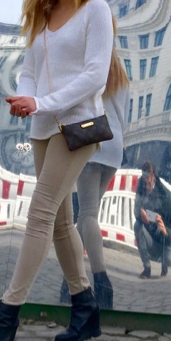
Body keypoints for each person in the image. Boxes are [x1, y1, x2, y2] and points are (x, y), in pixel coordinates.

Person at [0, 0, 115, 341]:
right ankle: (85, 309)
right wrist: (25, 97)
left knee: (40, 214)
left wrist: (43, 103)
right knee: (60, 223)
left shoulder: (96, 10)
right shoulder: (43, 14)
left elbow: (96, 75)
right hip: (43, 128)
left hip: (78, 125)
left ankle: (6, 320)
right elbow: (30, 71)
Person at [60, 53, 130, 309]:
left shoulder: (91, 65)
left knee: (87, 214)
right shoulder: (122, 74)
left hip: (91, 138)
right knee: (86, 217)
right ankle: (69, 280)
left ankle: (101, 281)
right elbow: (125, 116)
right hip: (114, 144)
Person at [134, 161, 171, 278]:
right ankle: (147, 268)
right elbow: (136, 210)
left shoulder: (167, 197)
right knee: (137, 226)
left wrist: (165, 230)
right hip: (150, 237)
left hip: (164, 243)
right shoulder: (141, 186)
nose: (146, 187)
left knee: (170, 259)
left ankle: (164, 264)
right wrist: (141, 216)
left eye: (149, 184)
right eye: (144, 184)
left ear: (153, 177)